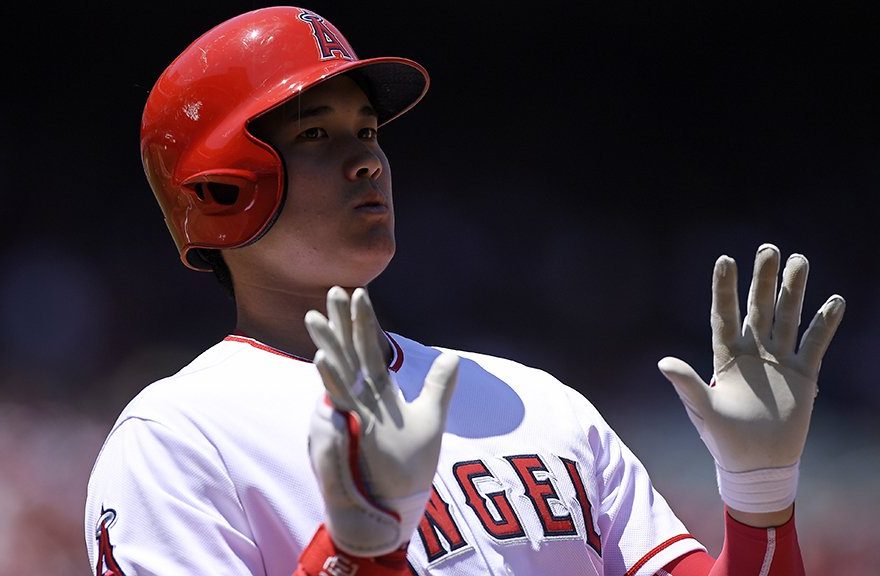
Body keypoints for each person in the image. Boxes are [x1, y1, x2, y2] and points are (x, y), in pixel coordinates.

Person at [84, 6, 846, 575]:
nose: (367, 160)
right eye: (317, 134)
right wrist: (360, 551)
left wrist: (759, 496)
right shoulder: (178, 438)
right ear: (220, 188)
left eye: (369, 131)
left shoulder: (538, 402)